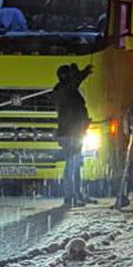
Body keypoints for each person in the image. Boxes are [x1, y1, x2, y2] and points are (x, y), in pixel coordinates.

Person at [54, 63, 94, 207]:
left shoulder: (68, 90)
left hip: (74, 133)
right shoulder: (64, 90)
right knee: (71, 165)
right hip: (69, 134)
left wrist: (84, 122)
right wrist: (84, 73)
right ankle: (70, 196)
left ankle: (76, 194)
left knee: (75, 165)